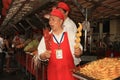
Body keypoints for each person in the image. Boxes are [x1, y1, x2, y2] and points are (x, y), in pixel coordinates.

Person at [38, 9, 83, 80]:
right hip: (53, 75)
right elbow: (40, 55)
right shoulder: (47, 37)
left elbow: (79, 51)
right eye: (49, 20)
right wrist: (44, 55)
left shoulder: (70, 35)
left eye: (53, 20)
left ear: (61, 21)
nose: (50, 23)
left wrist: (79, 52)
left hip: (69, 74)